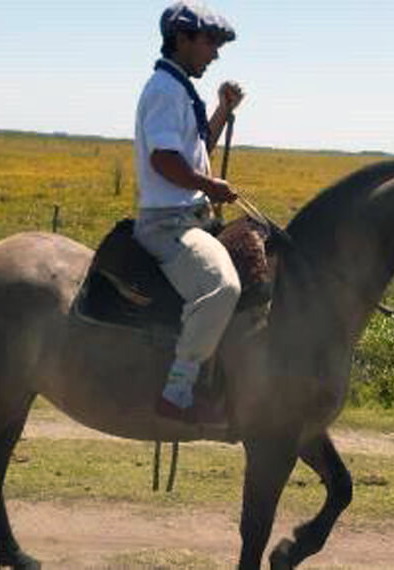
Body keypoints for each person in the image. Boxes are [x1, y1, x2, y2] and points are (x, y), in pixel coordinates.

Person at [133, 1, 245, 424]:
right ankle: (177, 391)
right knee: (223, 288)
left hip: (190, 217)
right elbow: (165, 162)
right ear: (182, 39)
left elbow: (194, 156)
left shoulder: (179, 88)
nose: (215, 53)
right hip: (168, 225)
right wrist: (210, 186)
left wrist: (221, 111)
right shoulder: (163, 90)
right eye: (210, 42)